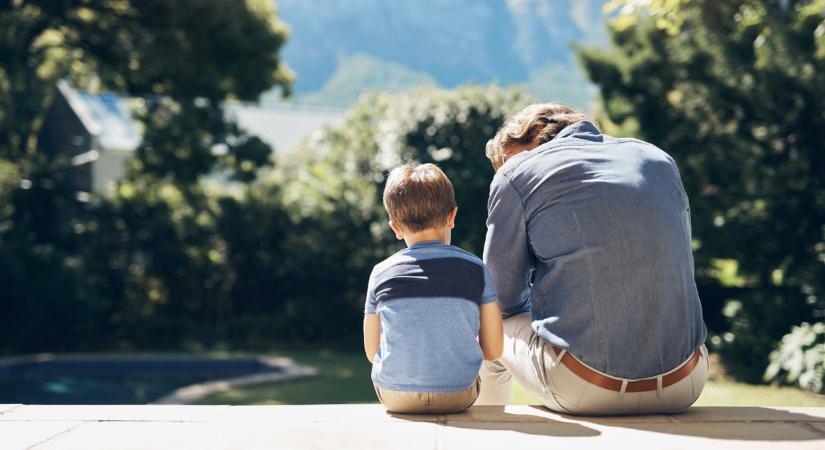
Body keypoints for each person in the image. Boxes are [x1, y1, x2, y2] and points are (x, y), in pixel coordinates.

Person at [476, 103, 708, 415]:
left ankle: (484, 435)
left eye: (510, 160)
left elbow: (500, 299)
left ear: (533, 133)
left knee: (489, 323)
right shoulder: (658, 159)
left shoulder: (515, 175)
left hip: (587, 388)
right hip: (686, 382)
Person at [363, 163, 504, 414]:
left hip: (396, 397)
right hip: (459, 396)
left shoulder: (381, 273)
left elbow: (373, 352)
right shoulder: (476, 269)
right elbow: (493, 351)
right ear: (452, 216)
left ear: (395, 227)